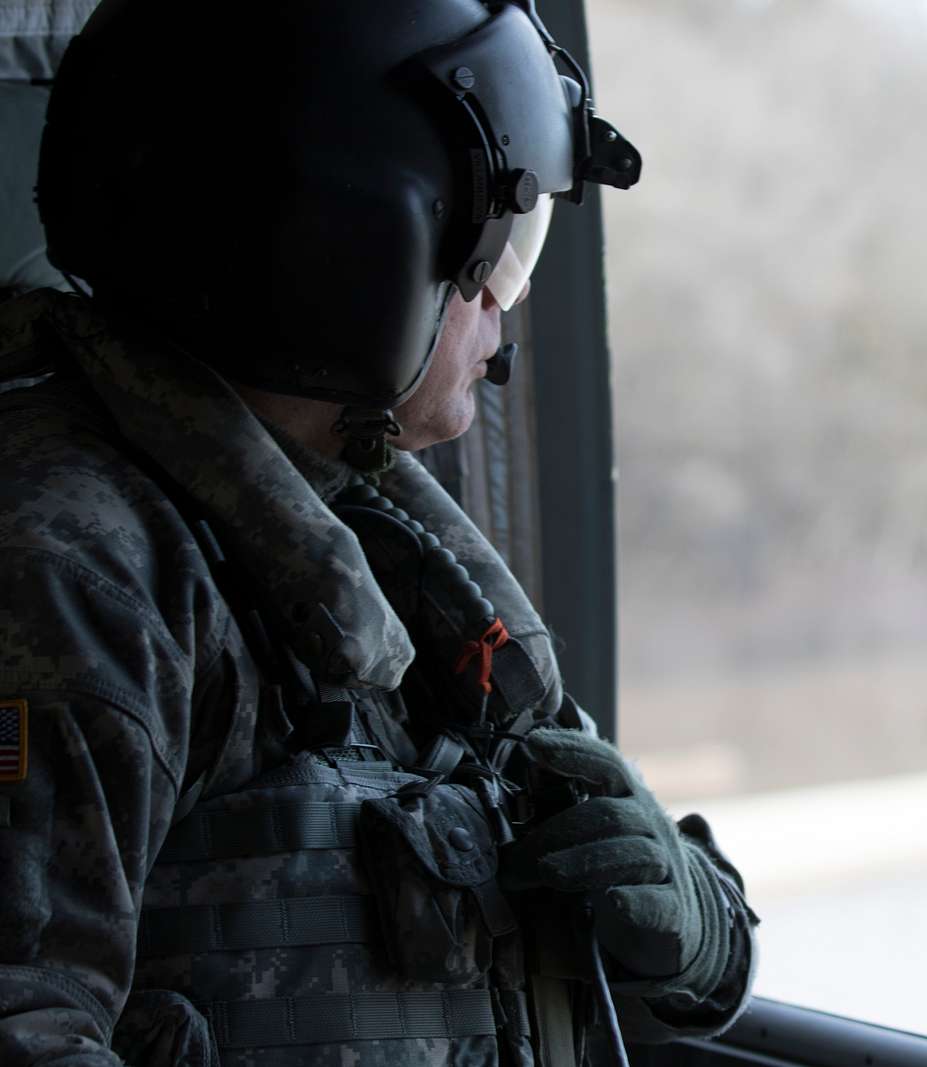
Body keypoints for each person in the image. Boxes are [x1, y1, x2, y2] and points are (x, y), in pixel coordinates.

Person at [0, 0, 757, 1064]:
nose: (507, 301)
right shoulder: (77, 569)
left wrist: (694, 922)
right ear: (343, 253)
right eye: (487, 253)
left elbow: (691, 953)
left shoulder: (366, 531)